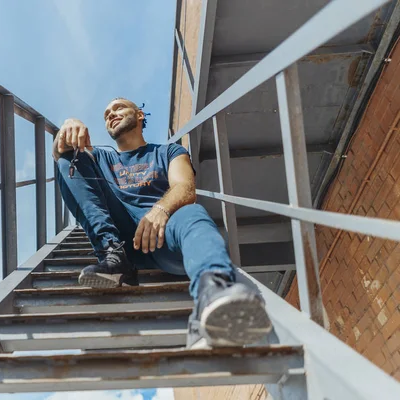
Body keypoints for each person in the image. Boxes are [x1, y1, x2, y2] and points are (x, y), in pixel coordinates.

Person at [53, 97, 271, 348]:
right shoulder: (100, 157)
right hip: (122, 238)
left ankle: (213, 292)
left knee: (192, 213)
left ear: (140, 115)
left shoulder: (169, 151)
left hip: (162, 235)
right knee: (68, 158)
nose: (111, 114)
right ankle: (112, 255)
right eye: (106, 114)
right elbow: (60, 152)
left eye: (119, 108)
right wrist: (69, 127)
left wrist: (161, 209)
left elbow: (185, 188)